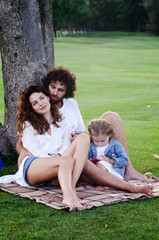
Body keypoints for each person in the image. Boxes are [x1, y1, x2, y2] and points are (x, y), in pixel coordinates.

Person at [16, 66, 149, 185]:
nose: (55, 92)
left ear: (66, 92)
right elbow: (25, 138)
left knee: (112, 116)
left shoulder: (71, 104)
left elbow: (81, 132)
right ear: (47, 86)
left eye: (60, 89)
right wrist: (22, 151)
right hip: (63, 154)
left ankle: (128, 170)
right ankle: (111, 181)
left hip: (79, 144)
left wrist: (79, 138)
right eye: (52, 87)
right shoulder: (39, 107)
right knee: (83, 164)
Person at [15, 85, 90, 210]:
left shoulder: (64, 124)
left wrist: (58, 157)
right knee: (65, 160)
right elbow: (34, 151)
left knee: (83, 138)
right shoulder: (27, 125)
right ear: (32, 108)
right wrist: (53, 159)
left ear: (48, 98)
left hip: (59, 164)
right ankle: (68, 196)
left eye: (42, 98)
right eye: (35, 103)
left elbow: (65, 147)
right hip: (35, 165)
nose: (40, 103)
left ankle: (70, 187)